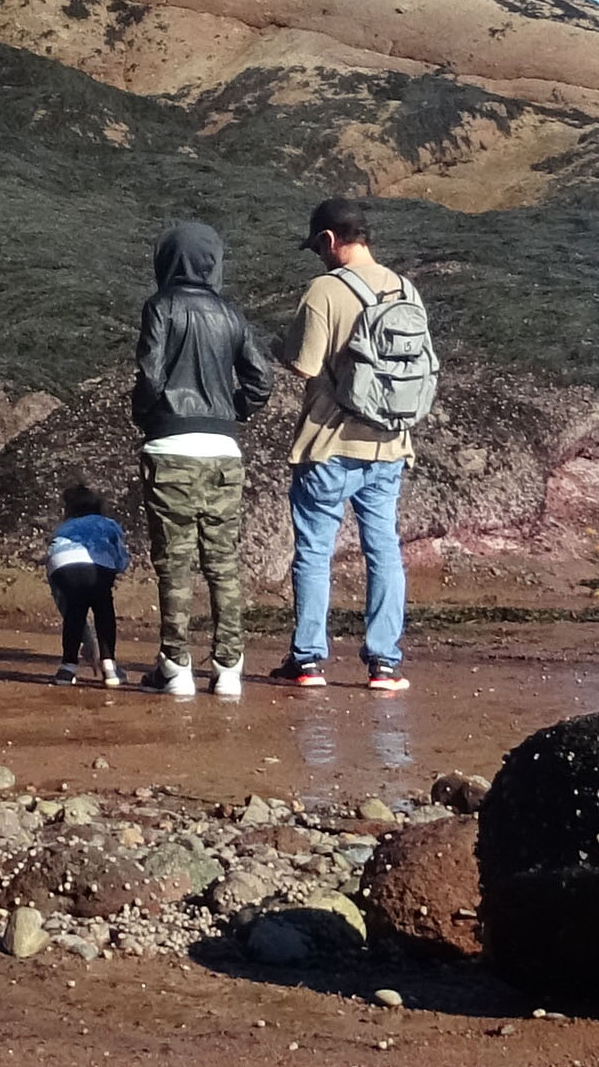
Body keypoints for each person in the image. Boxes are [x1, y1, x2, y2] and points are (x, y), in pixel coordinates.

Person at [129, 217, 279, 699]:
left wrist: (147, 414)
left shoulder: (161, 307)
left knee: (174, 564)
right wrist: (228, 413)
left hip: (170, 446)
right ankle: (229, 668)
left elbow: (151, 376)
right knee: (223, 562)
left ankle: (175, 667)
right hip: (222, 451)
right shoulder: (231, 314)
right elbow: (262, 380)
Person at [283, 197, 423, 694]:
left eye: (316, 247)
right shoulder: (406, 288)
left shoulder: (324, 289)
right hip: (389, 443)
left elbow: (303, 363)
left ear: (329, 240)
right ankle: (384, 664)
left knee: (315, 551)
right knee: (383, 549)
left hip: (329, 443)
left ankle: (308, 661)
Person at [41, 483, 128, 685]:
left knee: (75, 612)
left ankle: (67, 668)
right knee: (104, 608)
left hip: (62, 566)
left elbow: (54, 550)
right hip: (97, 566)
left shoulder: (65, 527)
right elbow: (120, 556)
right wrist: (117, 567)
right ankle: (109, 667)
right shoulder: (108, 524)